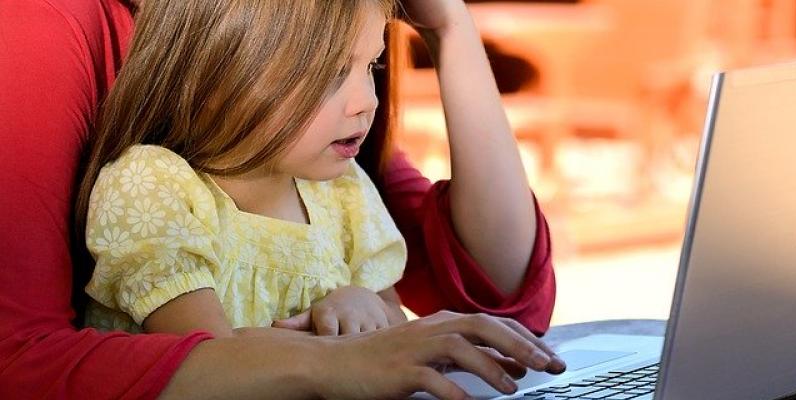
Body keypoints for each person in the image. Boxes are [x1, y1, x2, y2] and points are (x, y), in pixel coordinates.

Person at [0, 0, 561, 398]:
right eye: (330, 72)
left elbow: (500, 299)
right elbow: (204, 355)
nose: (366, 101)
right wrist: (335, 359)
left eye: (372, 66)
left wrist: (450, 25)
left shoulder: (331, 177)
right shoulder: (151, 176)